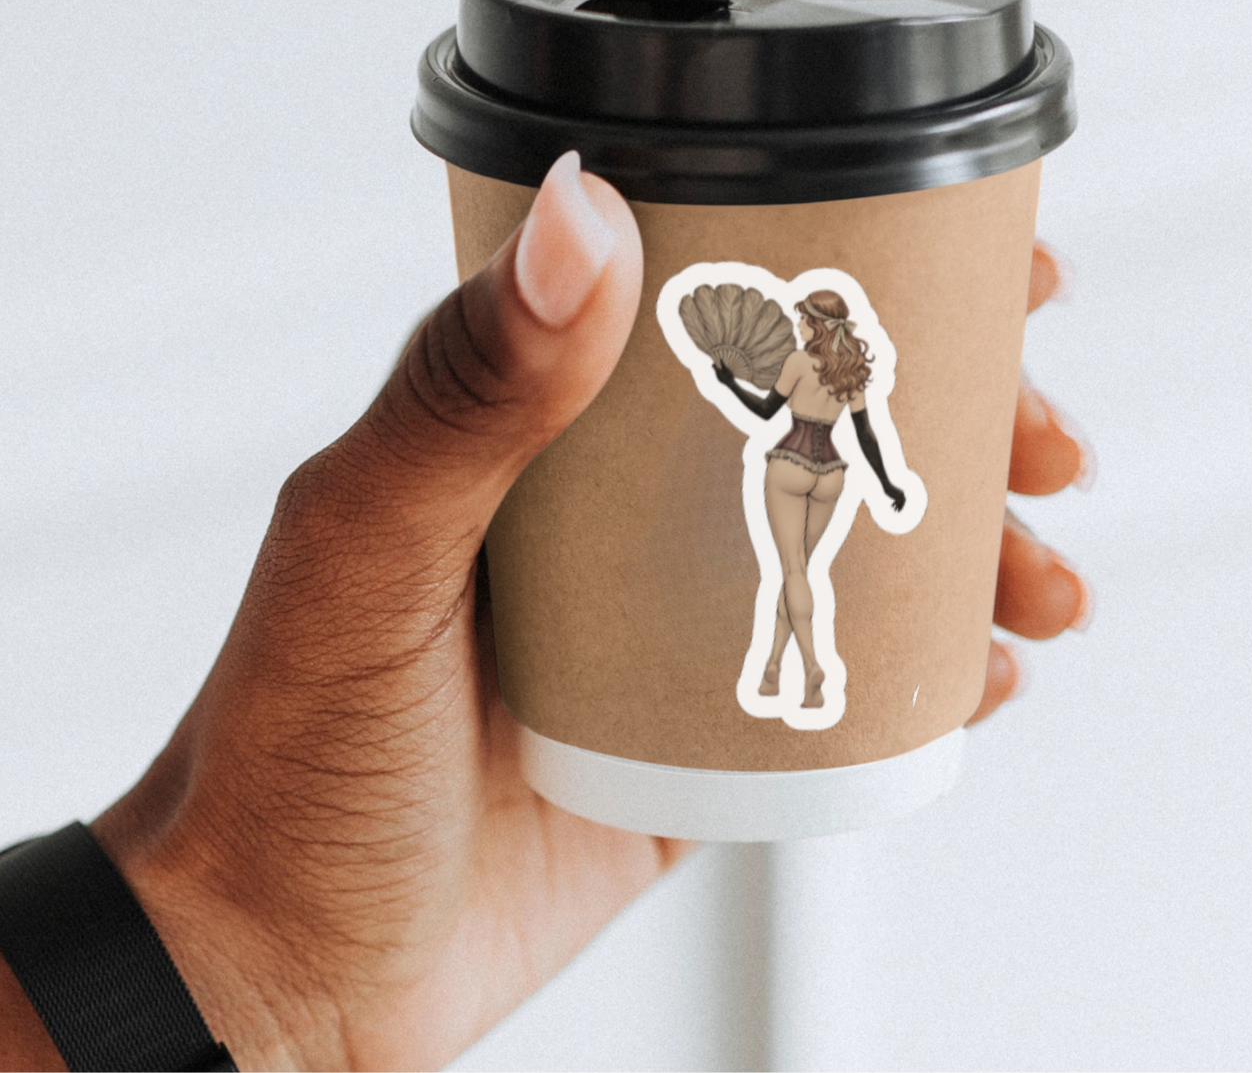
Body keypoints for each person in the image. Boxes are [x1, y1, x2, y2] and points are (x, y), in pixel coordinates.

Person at [0, 153, 1092, 1071]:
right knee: (801, 581)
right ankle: (793, 660)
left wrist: (270, 980)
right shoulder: (825, 367)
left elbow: (836, 426)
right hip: (794, 475)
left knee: (799, 581)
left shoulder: (834, 368)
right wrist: (268, 978)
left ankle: (789, 659)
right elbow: (808, 421)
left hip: (795, 473)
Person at [713, 289, 910, 709]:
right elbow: (865, 435)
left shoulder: (799, 363)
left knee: (793, 569)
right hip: (831, 476)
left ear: (817, 324)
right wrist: (887, 484)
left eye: (803, 320)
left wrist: (731, 384)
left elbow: (767, 412)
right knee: (798, 572)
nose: (798, 326)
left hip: (790, 464)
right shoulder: (850, 372)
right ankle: (772, 668)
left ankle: (812, 664)